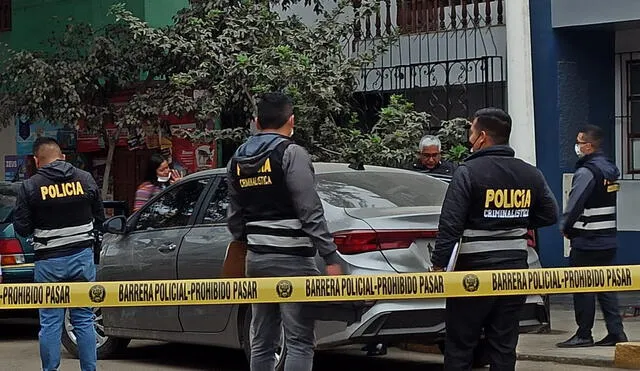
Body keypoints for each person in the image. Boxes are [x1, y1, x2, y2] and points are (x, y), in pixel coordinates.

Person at [430, 108, 559, 370]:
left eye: (471, 131)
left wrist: (438, 265)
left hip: (473, 273)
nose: (469, 138)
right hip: (514, 271)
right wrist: (515, 220)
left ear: (483, 136)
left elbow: (451, 224)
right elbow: (550, 214)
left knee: (461, 346)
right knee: (503, 345)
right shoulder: (530, 173)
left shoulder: (468, 172)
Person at [227, 92, 343, 371]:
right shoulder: (292, 153)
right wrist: (330, 256)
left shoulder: (237, 160)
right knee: (300, 341)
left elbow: (234, 219)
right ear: (291, 121)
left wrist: (250, 242)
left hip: (256, 260)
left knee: (262, 339)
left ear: (256, 122)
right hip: (294, 261)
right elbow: (310, 211)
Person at [13, 137, 105, 371]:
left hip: (49, 263)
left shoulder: (31, 186)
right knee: (84, 319)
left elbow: (21, 228)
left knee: (50, 323)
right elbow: (100, 217)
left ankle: (50, 369)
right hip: (82, 258)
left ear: (36, 160)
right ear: (63, 157)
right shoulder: (85, 179)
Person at [557, 125, 628, 348]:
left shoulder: (587, 172)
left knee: (583, 288)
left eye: (579, 142)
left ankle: (584, 334)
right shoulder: (609, 171)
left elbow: (575, 205)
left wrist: (565, 228)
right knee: (607, 287)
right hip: (607, 239)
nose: (576, 146)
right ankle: (616, 333)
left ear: (589, 146)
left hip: (587, 241)